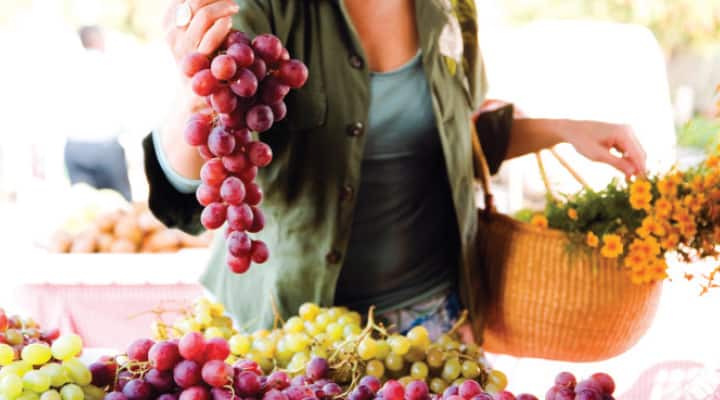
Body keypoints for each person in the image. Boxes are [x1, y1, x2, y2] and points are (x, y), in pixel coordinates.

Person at [144, 0, 646, 339]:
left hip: (435, 319)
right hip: (290, 332)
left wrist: (563, 129)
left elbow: (455, 138)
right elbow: (189, 183)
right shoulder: (265, 8)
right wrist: (196, 83)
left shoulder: (450, 9)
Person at [65, 25, 132, 201]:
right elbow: (125, 106)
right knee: (121, 210)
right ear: (96, 40)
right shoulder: (110, 66)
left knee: (85, 210)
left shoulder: (69, 68)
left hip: (75, 147)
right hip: (106, 149)